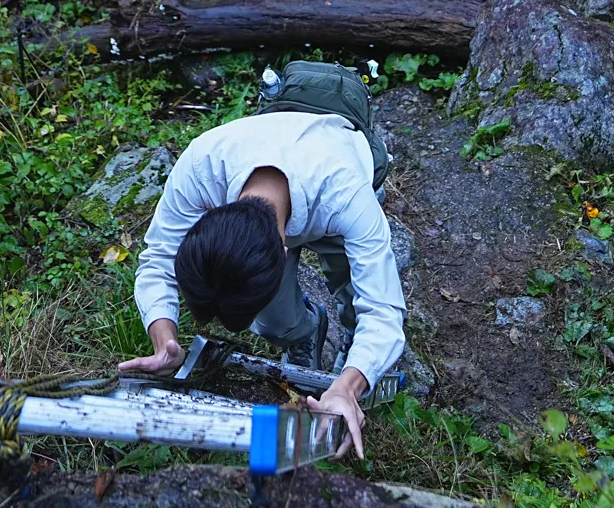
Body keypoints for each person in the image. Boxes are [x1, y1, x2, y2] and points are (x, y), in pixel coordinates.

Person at [118, 102, 406, 460]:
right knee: (274, 322)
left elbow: (384, 311)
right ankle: (305, 331)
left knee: (353, 295)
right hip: (284, 185)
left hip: (336, 181)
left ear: (283, 251)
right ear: (211, 215)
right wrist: (164, 339)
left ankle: (351, 352)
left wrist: (348, 387)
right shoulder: (202, 167)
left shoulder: (348, 196)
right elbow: (158, 259)